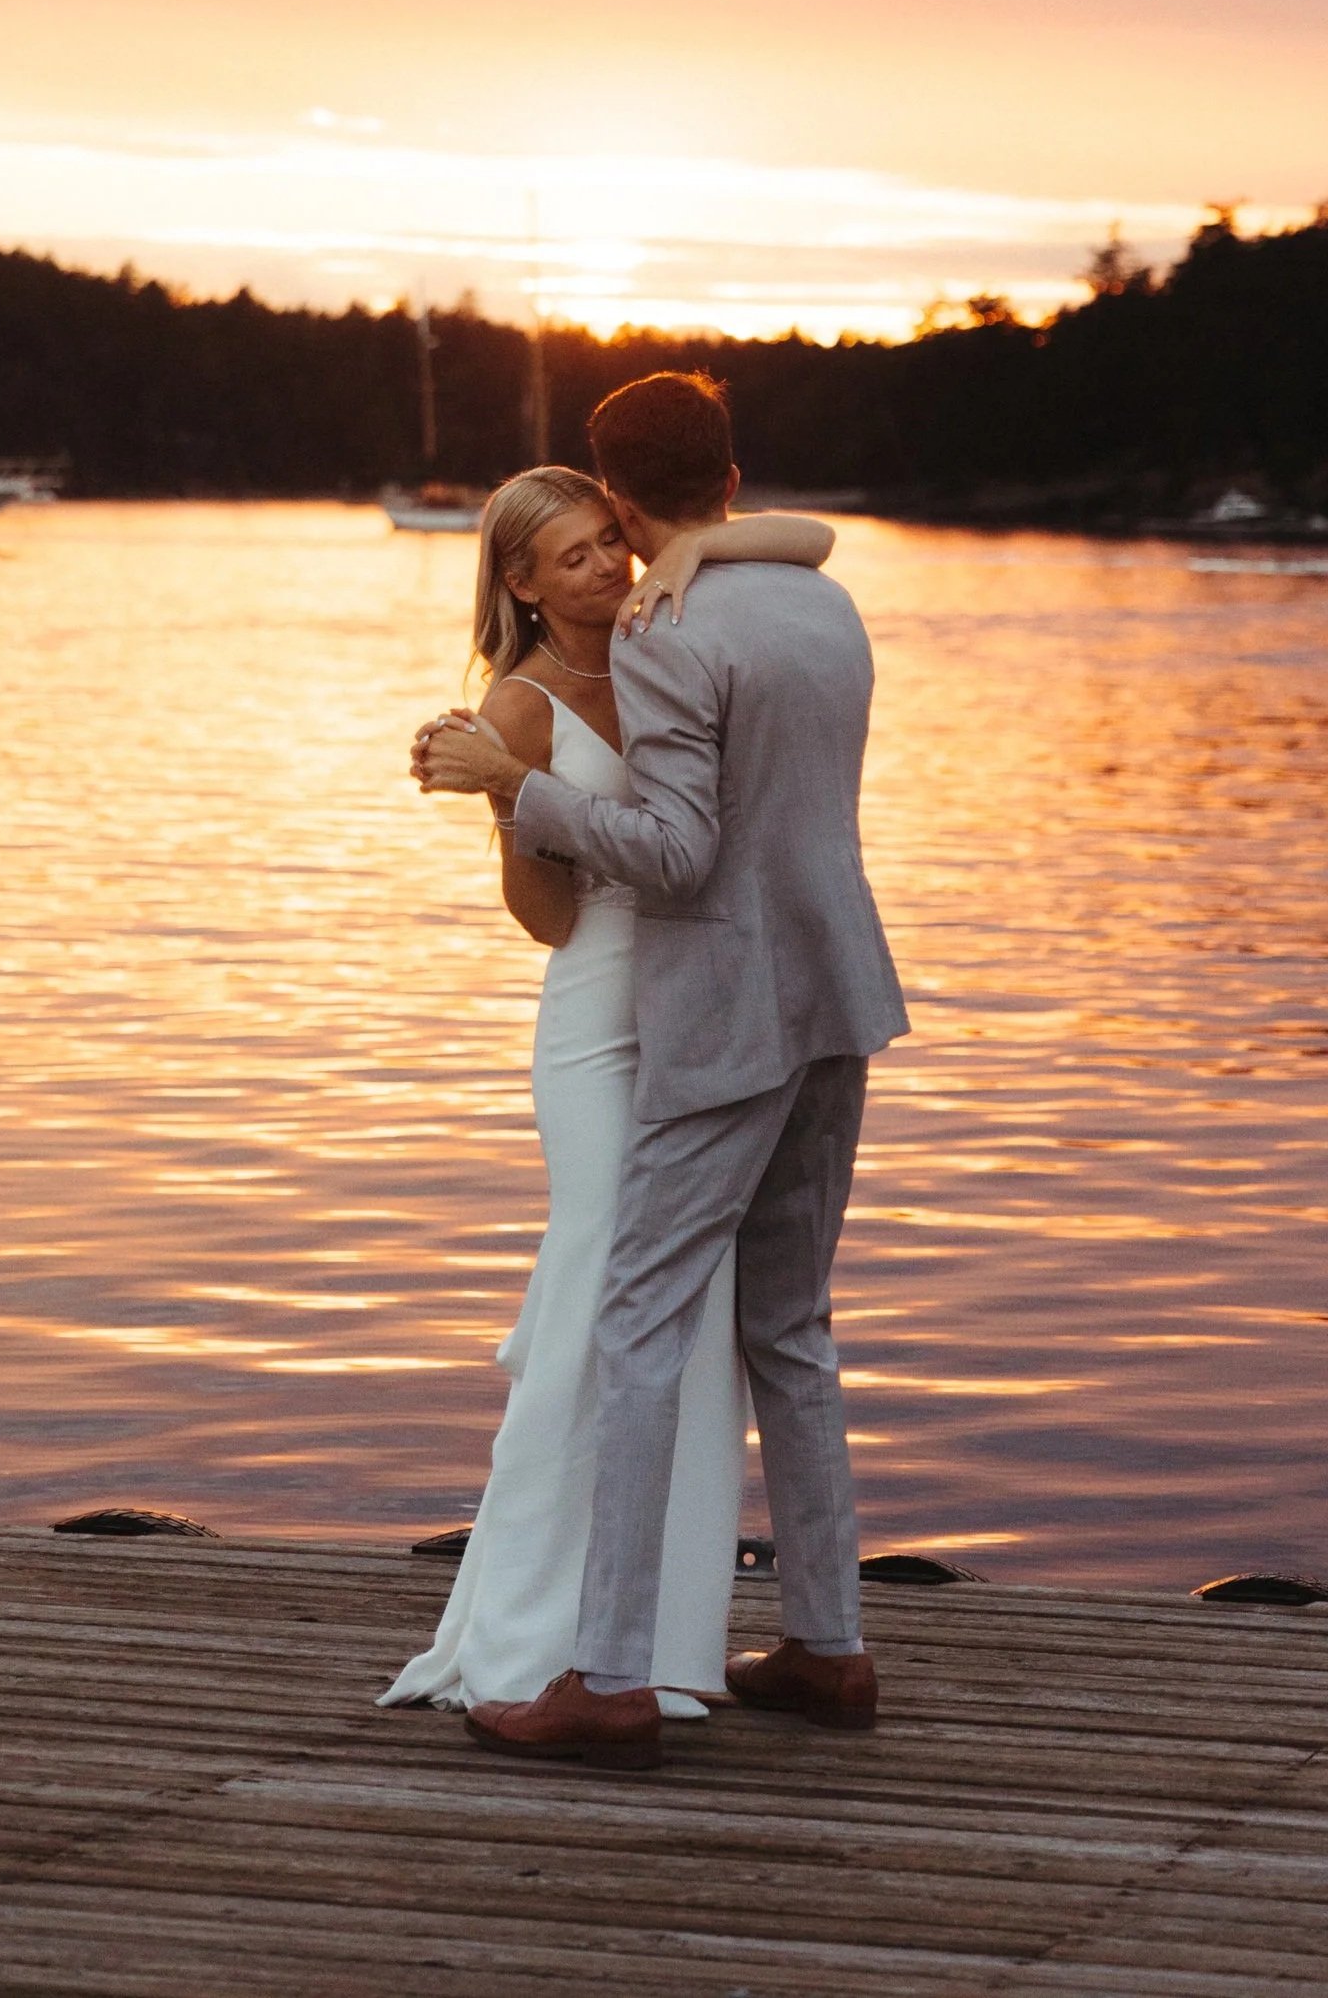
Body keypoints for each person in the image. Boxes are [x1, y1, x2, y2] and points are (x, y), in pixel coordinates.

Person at [414, 373, 906, 1773]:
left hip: (729, 1015)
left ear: (619, 497)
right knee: (793, 1329)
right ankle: (829, 1643)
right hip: (839, 994)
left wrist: (519, 791)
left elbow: (679, 850)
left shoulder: (667, 632)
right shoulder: (826, 601)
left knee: (637, 1321)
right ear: (735, 470)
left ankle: (610, 1672)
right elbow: (796, 542)